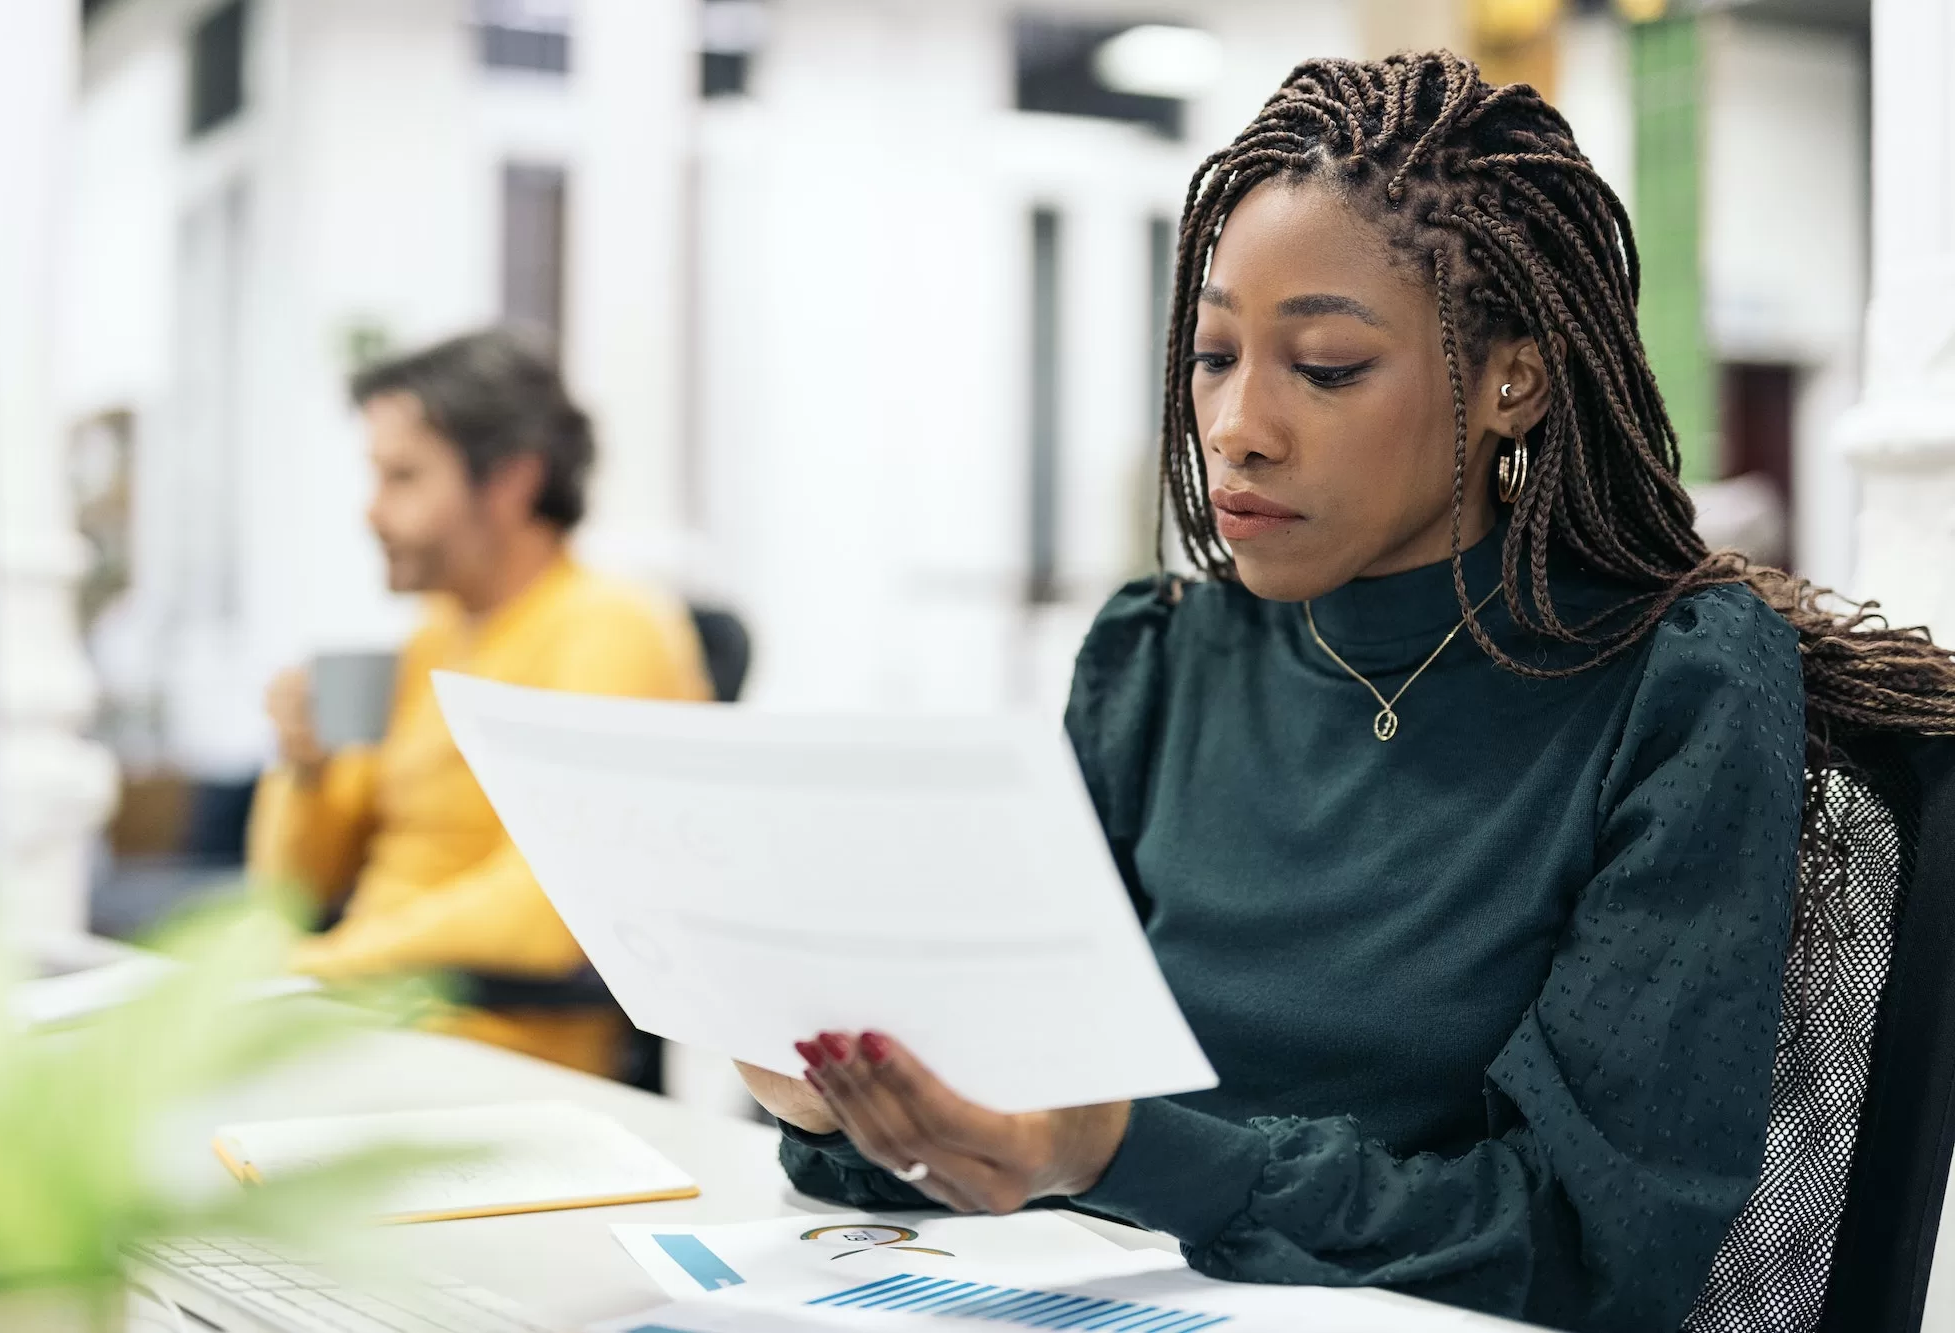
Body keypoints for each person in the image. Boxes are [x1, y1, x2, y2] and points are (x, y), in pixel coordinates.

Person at [735, 52, 1955, 1332]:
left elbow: (1589, 1248)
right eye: (1211, 354)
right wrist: (851, 1105)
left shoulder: (1673, 689)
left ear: (1512, 381)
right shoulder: (1155, 661)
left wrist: (1115, 1154)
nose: (1237, 424)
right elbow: (1029, 1118)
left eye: (1321, 366)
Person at [249, 328, 710, 1075]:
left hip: (494, 1053)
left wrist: (324, 964)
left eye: (403, 478)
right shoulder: (433, 637)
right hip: (368, 1022)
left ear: (511, 481)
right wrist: (301, 770)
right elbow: (292, 890)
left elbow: (555, 907)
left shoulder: (612, 626)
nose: (371, 512)